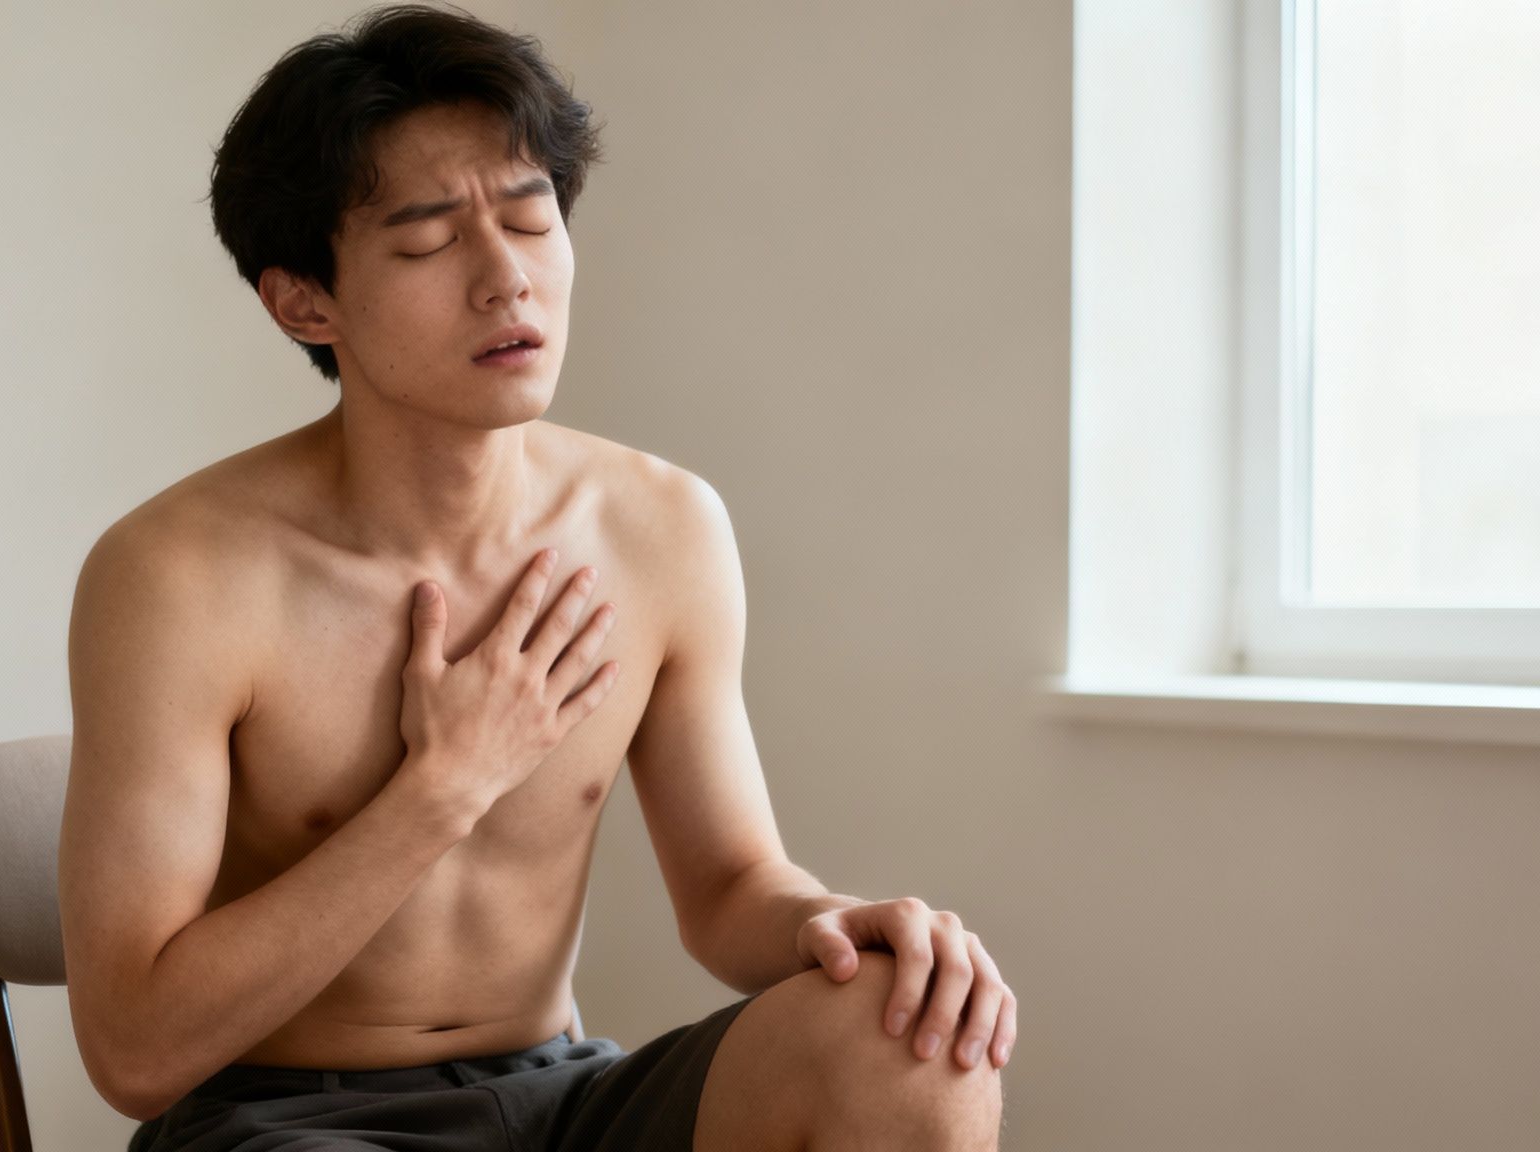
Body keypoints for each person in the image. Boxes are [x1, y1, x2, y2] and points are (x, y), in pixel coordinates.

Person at [56, 5, 1013, 1149]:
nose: (506, 279)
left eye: (528, 218)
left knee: (905, 1041)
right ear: (304, 301)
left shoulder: (660, 526)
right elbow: (134, 1052)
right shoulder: (176, 577)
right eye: (425, 243)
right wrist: (443, 787)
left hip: (563, 1100)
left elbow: (726, 889)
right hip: (287, 1124)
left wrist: (842, 925)